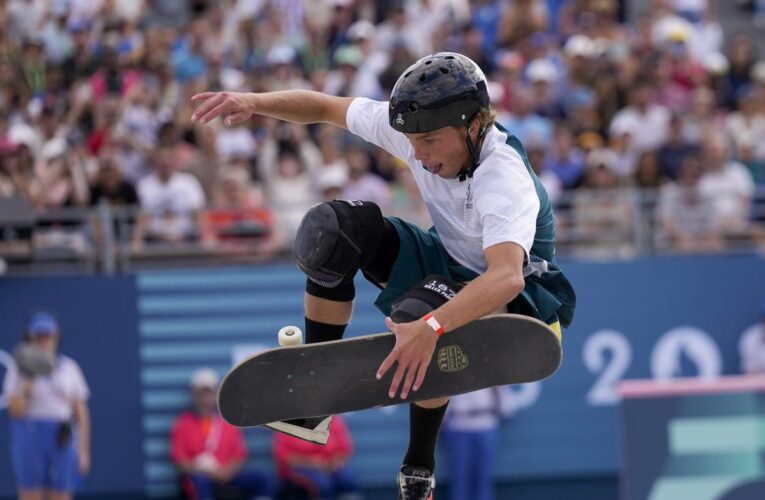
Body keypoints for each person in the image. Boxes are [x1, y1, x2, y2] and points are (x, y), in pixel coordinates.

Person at [191, 52, 576, 500]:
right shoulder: (419, 132)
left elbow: (507, 277)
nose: (418, 153)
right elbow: (323, 107)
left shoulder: (502, 176)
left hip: (521, 299)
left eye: (430, 140)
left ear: (473, 127)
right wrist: (254, 101)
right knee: (331, 229)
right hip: (446, 260)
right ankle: (315, 398)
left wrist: (431, 326)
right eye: (412, 140)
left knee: (421, 315)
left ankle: (418, 469)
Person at [3, 311, 91, 500]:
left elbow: (81, 413)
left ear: (56, 337)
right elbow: (15, 412)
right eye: (38, 336)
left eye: (47, 335)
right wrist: (27, 385)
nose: (43, 341)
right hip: (30, 434)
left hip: (62, 437)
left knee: (61, 494)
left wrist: (83, 451)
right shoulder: (18, 371)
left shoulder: (69, 368)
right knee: (30, 494)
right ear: (30, 338)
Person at [169, 368, 274, 500]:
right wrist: (207, 471)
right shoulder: (183, 424)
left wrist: (226, 472)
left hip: (226, 474)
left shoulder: (227, 422)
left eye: (209, 394)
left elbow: (239, 455)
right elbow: (180, 460)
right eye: (201, 394)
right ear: (194, 396)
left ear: (215, 395)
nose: (205, 399)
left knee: (262, 478)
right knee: (200, 482)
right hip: (200, 475)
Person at [440, 388, 515, 500]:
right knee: (459, 478)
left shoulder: (491, 372)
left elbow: (503, 397)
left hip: (486, 424)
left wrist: (505, 409)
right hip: (459, 425)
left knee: (483, 477)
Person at [273, 415, 361, 499]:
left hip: (330, 466)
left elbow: (344, 449)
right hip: (301, 469)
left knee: (348, 479)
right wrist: (311, 462)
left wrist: (335, 462)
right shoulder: (288, 421)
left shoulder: (332, 419)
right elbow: (284, 455)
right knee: (322, 483)